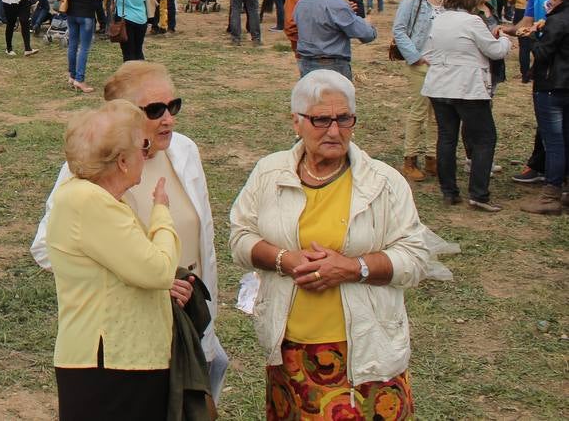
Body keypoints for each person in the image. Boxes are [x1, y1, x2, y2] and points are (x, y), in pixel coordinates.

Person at [229, 70, 430, 420]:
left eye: (344, 119)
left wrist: (353, 268)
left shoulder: (384, 182)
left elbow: (415, 256)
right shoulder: (269, 173)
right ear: (297, 121)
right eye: (321, 120)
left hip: (365, 354)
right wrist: (284, 260)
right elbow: (240, 237)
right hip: (290, 351)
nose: (334, 131)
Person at [32, 62, 229, 401]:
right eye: (154, 110)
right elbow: (47, 248)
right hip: (126, 342)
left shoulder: (184, 152)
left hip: (187, 323)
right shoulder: (90, 166)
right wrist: (142, 278)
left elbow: (203, 241)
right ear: (122, 117)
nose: (168, 118)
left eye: (173, 106)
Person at [45, 100, 179, 418]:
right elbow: (158, 270)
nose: (145, 156)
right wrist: (162, 211)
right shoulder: (91, 202)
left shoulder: (90, 197)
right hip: (113, 364)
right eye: (141, 148)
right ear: (121, 161)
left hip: (117, 361)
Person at [421, 0, 511, 211]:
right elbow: (495, 51)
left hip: (438, 86)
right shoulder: (473, 21)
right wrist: (504, 38)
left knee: (447, 138)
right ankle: (479, 194)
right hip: (468, 88)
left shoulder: (439, 20)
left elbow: (428, 52)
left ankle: (449, 191)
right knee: (484, 138)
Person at [392, 0, 455, 182]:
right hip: (420, 63)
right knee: (419, 111)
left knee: (438, 115)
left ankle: (432, 158)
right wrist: (415, 57)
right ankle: (410, 159)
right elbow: (399, 29)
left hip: (442, 65)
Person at [518, 0, 569, 214]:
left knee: (554, 142)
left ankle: (550, 195)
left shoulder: (556, 21)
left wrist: (530, 37)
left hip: (551, 87)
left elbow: (543, 53)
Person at [292, 0, 376, 79]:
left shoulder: (302, 1)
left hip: (306, 65)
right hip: (333, 66)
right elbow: (366, 35)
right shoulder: (338, 5)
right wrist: (366, 23)